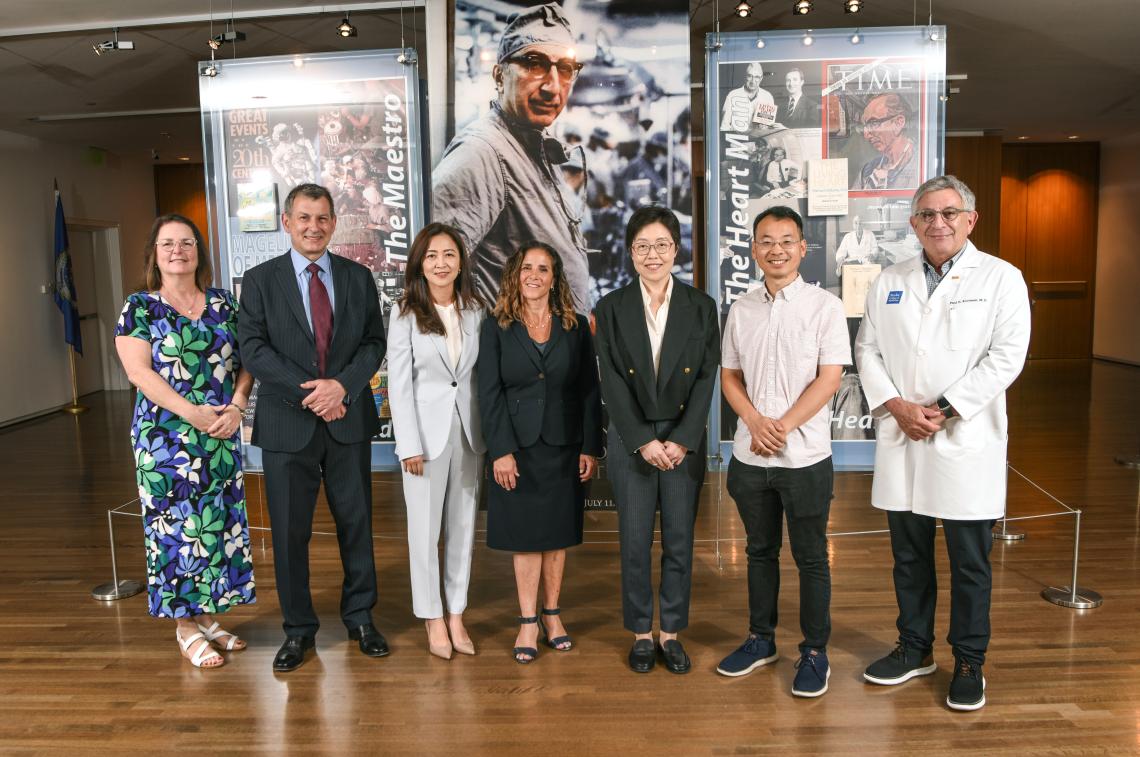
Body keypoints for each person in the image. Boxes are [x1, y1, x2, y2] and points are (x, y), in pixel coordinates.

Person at [855, 175, 1031, 711]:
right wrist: (897, 406)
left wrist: (943, 408)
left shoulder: (1001, 278)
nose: (938, 223)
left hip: (964, 438)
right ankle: (914, 649)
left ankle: (969, 663)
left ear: (970, 219)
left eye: (949, 213)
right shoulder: (890, 278)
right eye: (927, 215)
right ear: (913, 224)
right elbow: (868, 350)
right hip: (904, 434)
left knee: (969, 563)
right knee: (908, 557)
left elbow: (1006, 357)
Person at [237, 183, 388, 672]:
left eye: (322, 218)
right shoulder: (259, 280)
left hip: (347, 421)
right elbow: (254, 349)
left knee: (357, 525)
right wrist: (314, 394)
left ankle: (361, 618)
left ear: (333, 223)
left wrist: (341, 387)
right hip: (287, 426)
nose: (313, 226)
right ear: (286, 222)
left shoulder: (358, 278)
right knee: (288, 534)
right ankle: (298, 631)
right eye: (304, 217)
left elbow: (373, 344)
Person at [714, 206, 849, 697]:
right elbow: (729, 374)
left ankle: (815, 651)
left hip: (805, 458)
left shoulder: (825, 306)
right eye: (766, 241)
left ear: (802, 249)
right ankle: (761, 639)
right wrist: (752, 421)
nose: (776, 249)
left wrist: (783, 427)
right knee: (758, 552)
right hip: (750, 459)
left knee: (812, 557)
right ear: (753, 249)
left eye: (786, 241)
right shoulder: (741, 308)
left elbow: (830, 378)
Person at [114, 214, 255, 669]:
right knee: (174, 533)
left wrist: (236, 406)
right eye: (168, 244)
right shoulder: (139, 307)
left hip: (220, 434)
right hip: (166, 440)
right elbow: (139, 373)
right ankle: (184, 626)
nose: (178, 250)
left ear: (199, 251)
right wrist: (191, 412)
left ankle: (209, 616)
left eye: (187, 243)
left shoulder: (224, 304)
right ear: (155, 254)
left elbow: (249, 360)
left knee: (216, 526)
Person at [594, 207, 719, 675]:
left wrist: (684, 440)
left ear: (676, 249)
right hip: (633, 441)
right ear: (630, 253)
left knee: (681, 541)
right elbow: (610, 380)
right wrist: (643, 440)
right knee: (633, 542)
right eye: (643, 246)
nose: (653, 255)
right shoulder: (609, 307)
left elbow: (708, 377)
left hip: (683, 440)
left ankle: (671, 631)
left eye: (662, 245)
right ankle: (640, 633)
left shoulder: (701, 306)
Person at [477, 241, 602, 664]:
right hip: (517, 449)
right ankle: (527, 620)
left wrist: (590, 446)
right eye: (527, 267)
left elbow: (588, 389)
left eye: (543, 269)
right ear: (515, 274)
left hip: (564, 446)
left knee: (557, 537)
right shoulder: (496, 325)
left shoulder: (575, 325)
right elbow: (489, 393)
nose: (534, 275)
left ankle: (553, 616)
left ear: (555, 278)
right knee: (527, 539)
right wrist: (501, 450)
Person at [432, 3, 592, 312]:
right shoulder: (482, 152)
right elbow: (430, 274)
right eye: (534, 64)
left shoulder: (534, 145)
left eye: (566, 69)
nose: (553, 86)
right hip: (519, 356)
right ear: (499, 75)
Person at [386, 224, 486, 660]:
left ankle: (457, 613)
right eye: (431, 256)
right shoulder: (405, 311)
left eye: (449, 254)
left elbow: (478, 378)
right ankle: (431, 617)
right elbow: (399, 383)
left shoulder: (476, 310)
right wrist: (407, 442)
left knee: (463, 528)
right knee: (424, 533)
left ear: (461, 261)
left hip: (468, 432)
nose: (441, 263)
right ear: (419, 264)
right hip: (423, 440)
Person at [854, 94, 919, 190]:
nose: (866, 135)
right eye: (864, 127)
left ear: (898, 123)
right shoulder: (867, 171)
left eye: (873, 123)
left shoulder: (920, 163)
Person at [721, 62, 776, 133]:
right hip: (736, 141)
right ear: (745, 76)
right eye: (750, 76)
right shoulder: (732, 95)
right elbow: (724, 126)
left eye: (757, 77)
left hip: (758, 141)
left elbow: (770, 127)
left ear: (761, 78)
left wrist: (765, 126)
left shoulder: (767, 97)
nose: (753, 81)